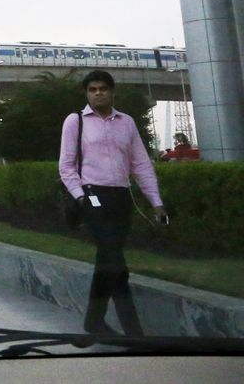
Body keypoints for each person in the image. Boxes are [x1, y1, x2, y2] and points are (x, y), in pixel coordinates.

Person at [59, 70, 167, 336]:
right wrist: (81, 196)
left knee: (107, 262)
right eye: (92, 89)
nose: (98, 93)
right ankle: (134, 333)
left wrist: (156, 202)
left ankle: (93, 323)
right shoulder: (75, 122)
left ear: (112, 91)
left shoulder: (126, 123)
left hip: (121, 198)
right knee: (117, 264)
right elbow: (66, 166)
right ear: (86, 93)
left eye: (103, 89)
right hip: (92, 197)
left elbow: (141, 164)